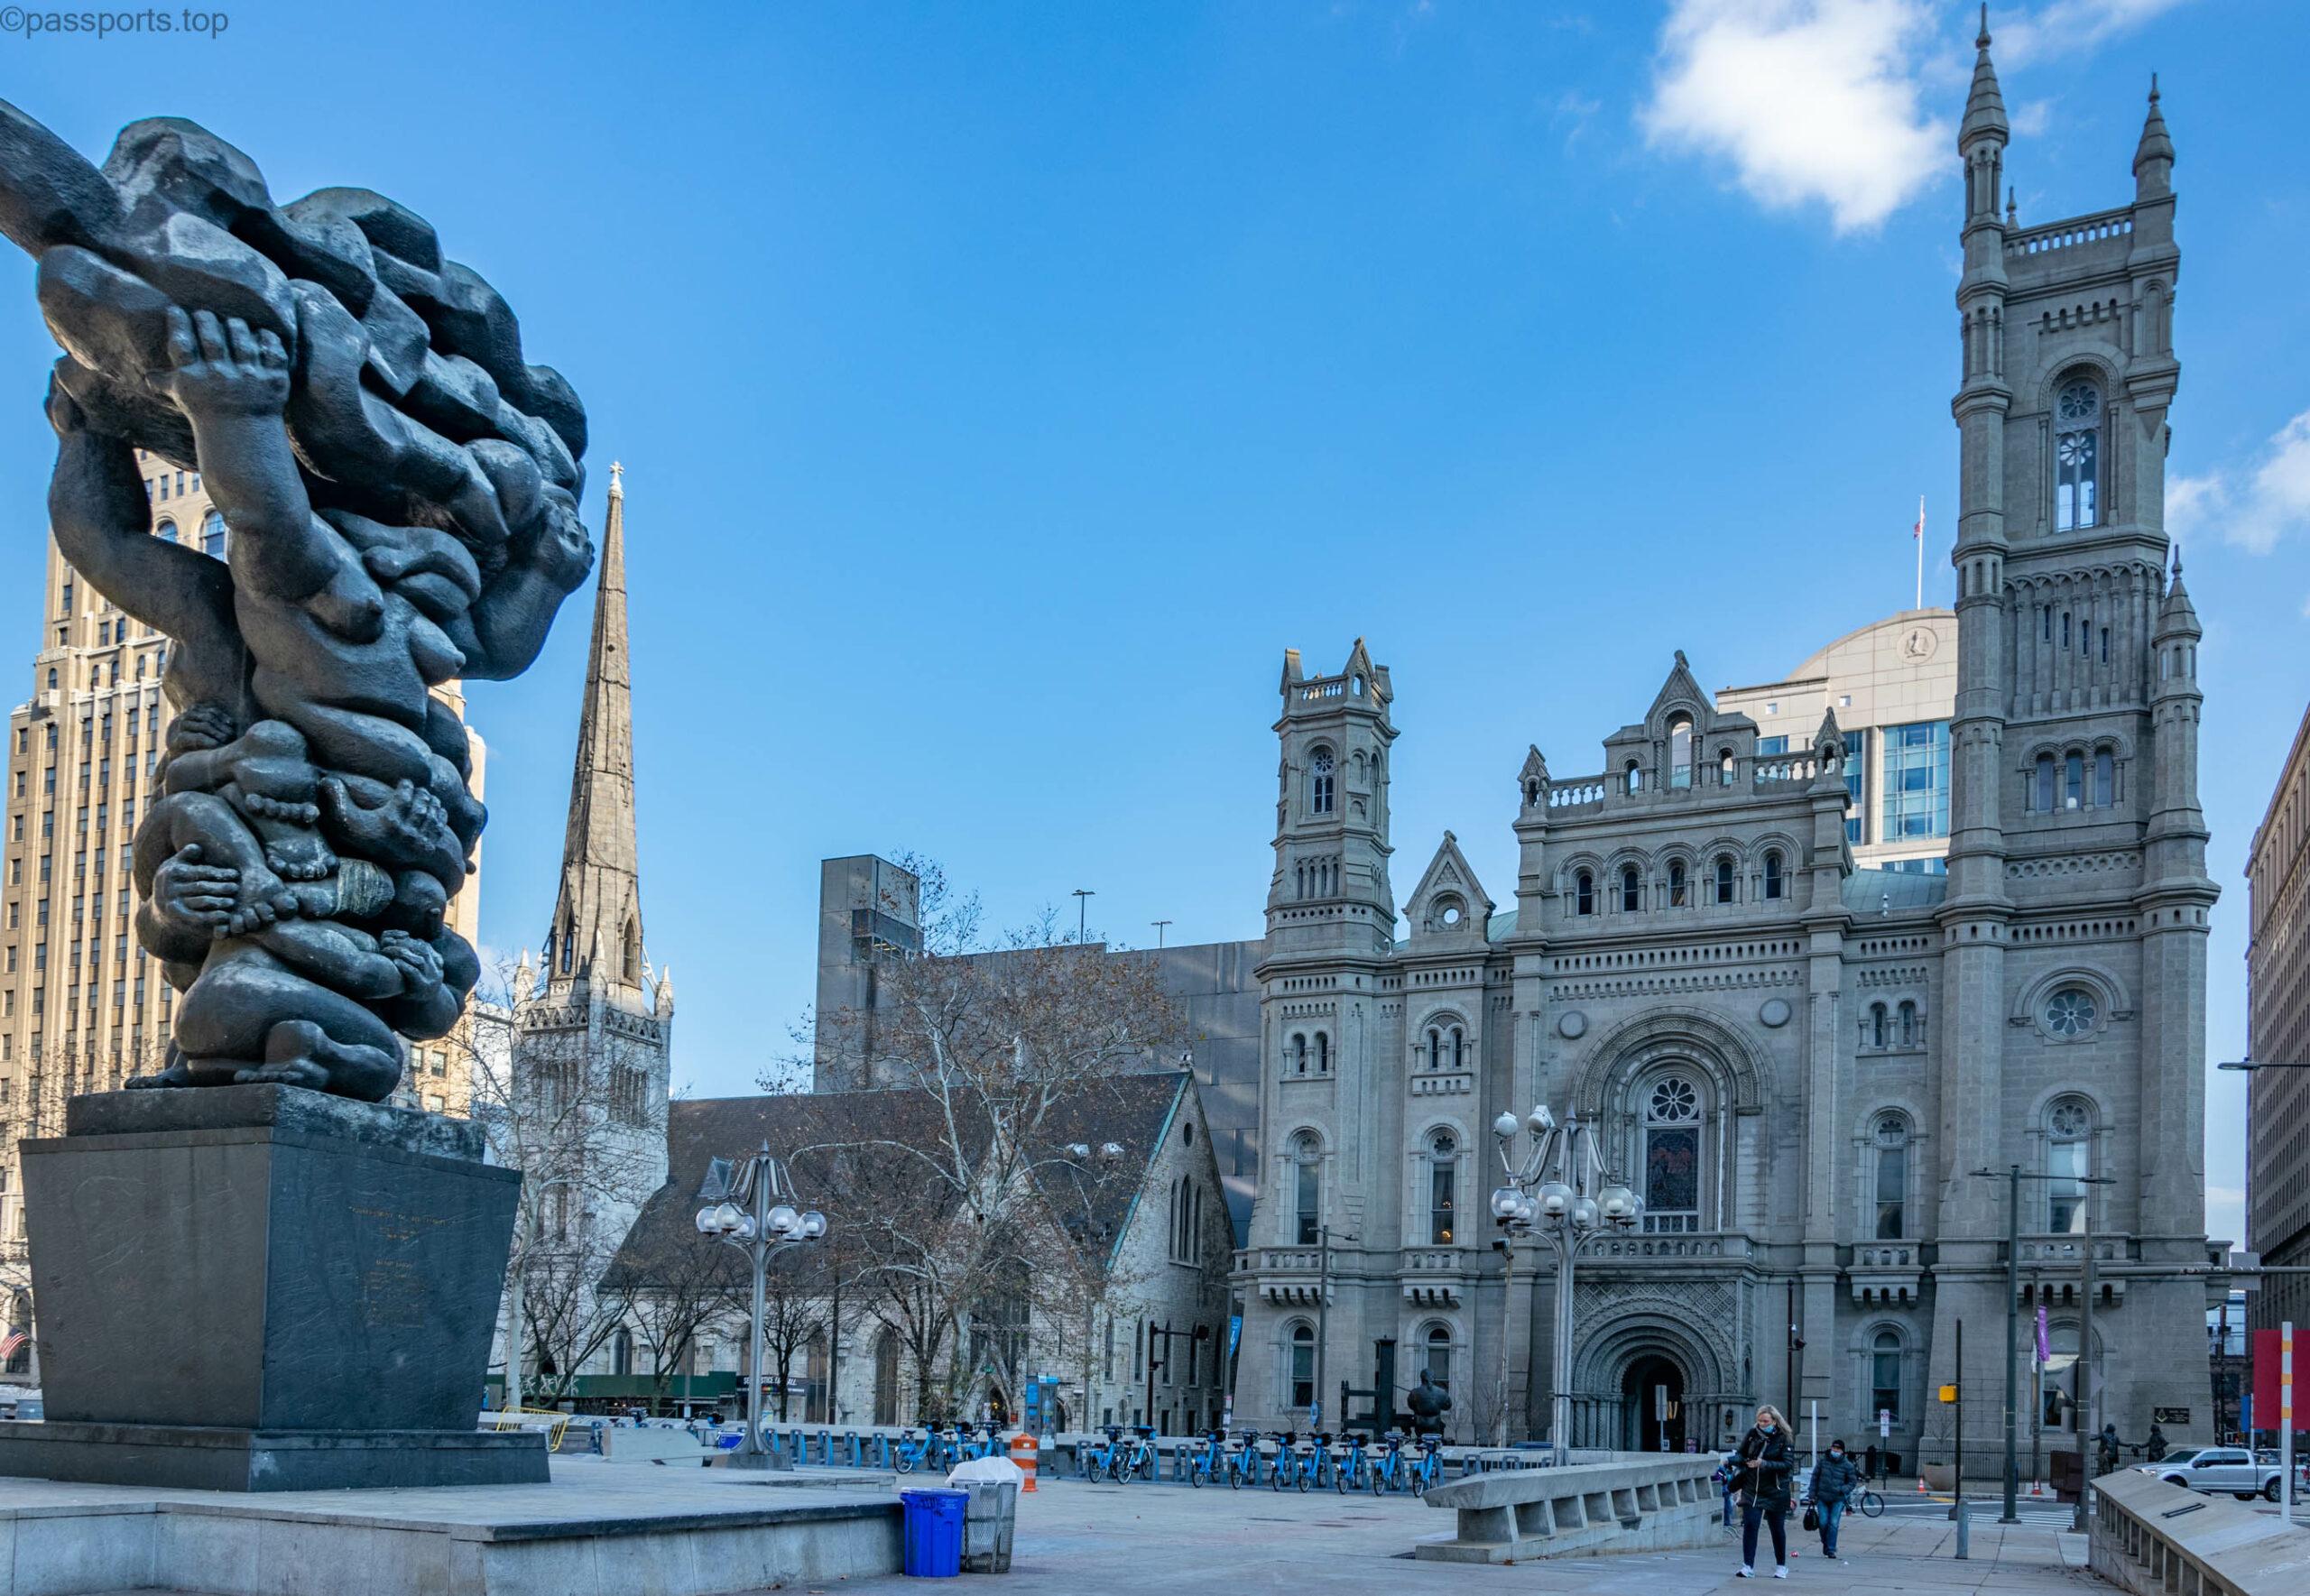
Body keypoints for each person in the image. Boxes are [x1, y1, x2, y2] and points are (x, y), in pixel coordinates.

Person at [1734, 1404, 1795, 1579]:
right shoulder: (1752, 1434)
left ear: (1774, 1421)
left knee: (1777, 1529)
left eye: (1766, 1421)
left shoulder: (1784, 1439)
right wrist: (1734, 1460)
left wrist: (1764, 1463)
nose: (1762, 1424)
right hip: (1752, 1488)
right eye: (1759, 1421)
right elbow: (1741, 1454)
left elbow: (1787, 1465)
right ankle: (1748, 1566)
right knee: (1751, 1525)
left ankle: (1781, 1566)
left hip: (1775, 1490)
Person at [1809, 1438, 1861, 1563]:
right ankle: (1826, 1543)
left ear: (1842, 1451)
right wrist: (1812, 1494)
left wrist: (1843, 1489)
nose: (1835, 1451)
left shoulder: (1847, 1465)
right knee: (1822, 1522)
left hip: (1838, 1498)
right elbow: (1815, 1477)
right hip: (1822, 1497)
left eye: (1838, 1449)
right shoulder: (1823, 1461)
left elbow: (1852, 1481)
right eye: (1834, 1448)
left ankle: (1831, 1549)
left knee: (1833, 1523)